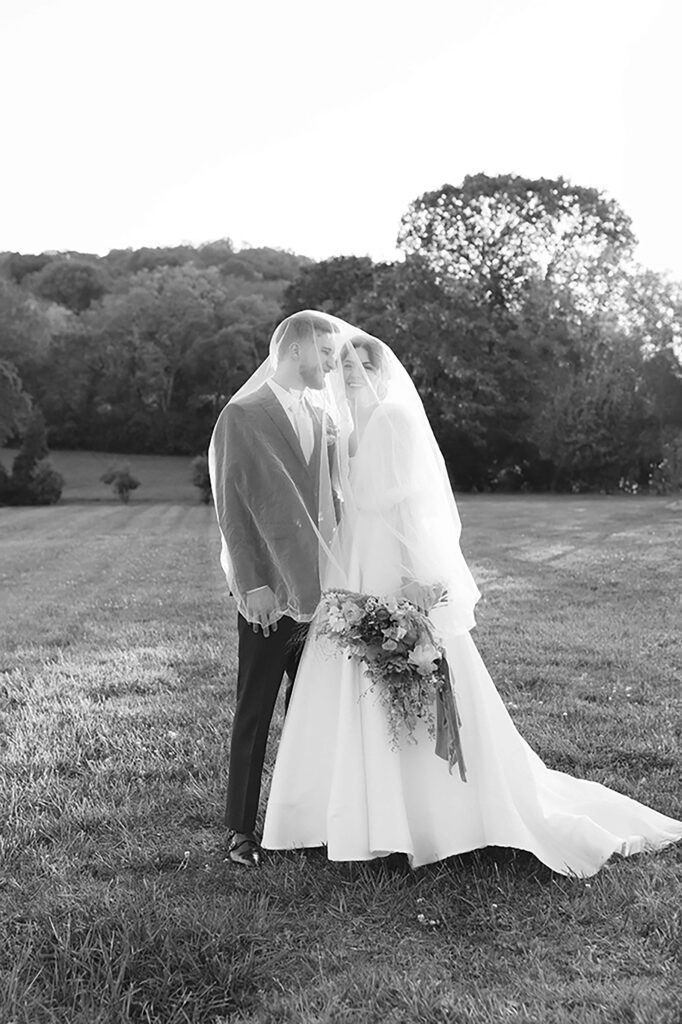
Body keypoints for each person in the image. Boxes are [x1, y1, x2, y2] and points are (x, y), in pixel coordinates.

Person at [262, 318, 682, 876]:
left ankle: (428, 814)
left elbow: (401, 501)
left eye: (361, 364)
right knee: (349, 678)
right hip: (357, 563)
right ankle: (343, 815)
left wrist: (414, 573)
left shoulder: (393, 418)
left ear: (382, 370)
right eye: (341, 364)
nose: (350, 373)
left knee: (407, 673)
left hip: (392, 568)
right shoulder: (349, 425)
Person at [208, 311, 340, 866]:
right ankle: (239, 830)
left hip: (322, 593)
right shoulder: (242, 414)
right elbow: (232, 505)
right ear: (296, 350)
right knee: (255, 709)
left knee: (316, 711)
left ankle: (307, 820)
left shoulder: (321, 414)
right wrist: (252, 583)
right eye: (327, 354)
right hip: (270, 593)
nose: (333, 364)